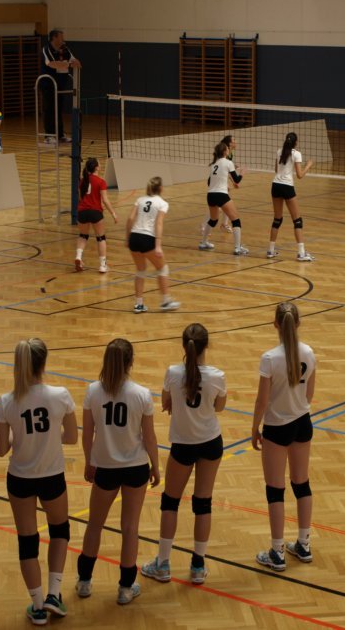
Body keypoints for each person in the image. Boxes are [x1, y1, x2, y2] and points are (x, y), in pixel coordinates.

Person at [0, 338, 78, 626]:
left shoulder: (6, 401)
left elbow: (1, 449)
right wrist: (50, 435)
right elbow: (72, 437)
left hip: (20, 478)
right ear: (44, 362)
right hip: (51, 476)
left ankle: (38, 606)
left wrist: (17, 434)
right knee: (60, 530)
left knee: (27, 541)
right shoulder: (60, 395)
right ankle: (54, 594)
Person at [141, 323, 227, 585]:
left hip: (183, 444)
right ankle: (198, 566)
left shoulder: (173, 372)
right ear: (206, 346)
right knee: (203, 503)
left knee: (170, 502)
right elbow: (219, 407)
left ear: (184, 345)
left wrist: (178, 406)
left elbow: (165, 402)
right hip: (210, 442)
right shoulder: (217, 375)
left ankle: (163, 564)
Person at [78, 338, 161, 604]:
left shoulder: (93, 391)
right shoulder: (142, 394)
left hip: (105, 467)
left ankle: (84, 582)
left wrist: (89, 461)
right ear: (130, 362)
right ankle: (125, 588)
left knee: (94, 525)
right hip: (136, 468)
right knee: (130, 528)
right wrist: (156, 465)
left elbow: (87, 434)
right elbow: (149, 438)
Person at [252, 302, 317, 572]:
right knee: (302, 483)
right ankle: (304, 544)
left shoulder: (270, 358)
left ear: (275, 325)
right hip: (302, 422)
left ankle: (277, 551)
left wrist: (254, 427)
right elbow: (309, 394)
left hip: (277, 427)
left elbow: (262, 400)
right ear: (298, 323)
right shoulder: (309, 353)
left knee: (275, 488)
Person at [126, 176, 180, 313]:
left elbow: (130, 218)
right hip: (148, 238)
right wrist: (158, 245)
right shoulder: (162, 203)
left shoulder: (140, 200)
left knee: (140, 270)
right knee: (162, 269)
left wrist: (127, 238)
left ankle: (139, 304)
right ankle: (166, 301)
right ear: (160, 188)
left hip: (134, 237)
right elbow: (159, 223)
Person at [268, 132, 313, 261]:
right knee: (297, 220)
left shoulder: (279, 151)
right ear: (295, 142)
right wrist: (308, 165)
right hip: (287, 186)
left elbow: (276, 170)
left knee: (277, 219)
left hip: (275, 185)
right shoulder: (296, 154)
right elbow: (300, 175)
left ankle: (270, 250)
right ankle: (301, 253)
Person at [198, 141, 248, 255]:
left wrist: (220, 183)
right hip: (221, 195)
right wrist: (242, 173)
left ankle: (203, 242)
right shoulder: (228, 162)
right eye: (227, 148)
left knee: (213, 220)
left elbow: (209, 182)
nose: (229, 150)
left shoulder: (213, 164)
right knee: (236, 220)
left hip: (210, 195)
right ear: (225, 152)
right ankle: (238, 248)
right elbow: (237, 180)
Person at [75, 157, 118, 273]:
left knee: (83, 236)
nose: (101, 165)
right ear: (96, 167)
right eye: (99, 163)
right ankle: (103, 266)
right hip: (95, 212)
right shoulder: (101, 182)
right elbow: (105, 200)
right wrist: (113, 213)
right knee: (100, 238)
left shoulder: (82, 181)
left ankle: (78, 256)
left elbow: (80, 198)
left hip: (82, 211)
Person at [41, 29, 81, 144]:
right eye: (61, 37)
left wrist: (67, 63)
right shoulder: (47, 49)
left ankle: (60, 135)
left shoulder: (65, 49)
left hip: (61, 84)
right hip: (48, 84)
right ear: (54, 38)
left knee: (58, 109)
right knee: (49, 109)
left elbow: (76, 62)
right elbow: (51, 63)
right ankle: (49, 136)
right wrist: (67, 64)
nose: (63, 39)